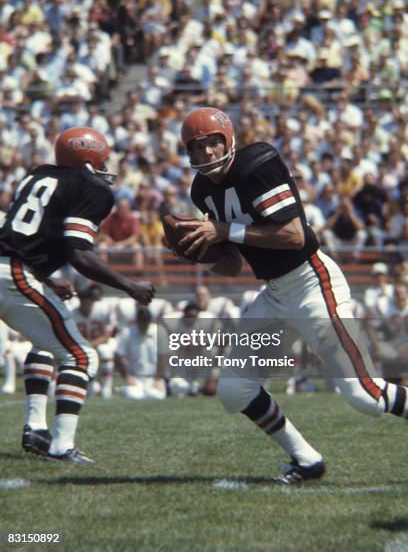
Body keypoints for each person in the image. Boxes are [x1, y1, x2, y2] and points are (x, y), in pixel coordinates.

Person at [175, 106, 408, 484]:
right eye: (196, 147)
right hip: (275, 294)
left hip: (313, 283)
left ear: (229, 140)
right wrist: (200, 253)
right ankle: (306, 459)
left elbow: (293, 235)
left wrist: (223, 231)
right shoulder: (202, 190)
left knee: (365, 397)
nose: (206, 154)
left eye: (212, 143)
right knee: (234, 389)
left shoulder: (257, 164)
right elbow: (233, 265)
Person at [0, 126, 155, 464]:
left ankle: (36, 428)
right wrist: (130, 286)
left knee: (45, 344)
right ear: (89, 158)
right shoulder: (91, 187)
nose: (104, 167)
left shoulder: (38, 174)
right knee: (82, 358)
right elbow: (79, 254)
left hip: (11, 269)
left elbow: (32, 235)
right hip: (13, 275)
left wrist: (49, 279)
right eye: (102, 159)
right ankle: (61, 447)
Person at [115, 306, 167, 400]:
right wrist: (126, 377)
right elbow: (118, 356)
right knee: (134, 396)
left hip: (153, 377)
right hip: (134, 377)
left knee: (157, 396)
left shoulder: (159, 332)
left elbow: (163, 357)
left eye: (146, 321)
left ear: (150, 320)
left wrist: (158, 378)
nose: (144, 324)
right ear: (137, 320)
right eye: (142, 321)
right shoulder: (127, 332)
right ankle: (125, 389)